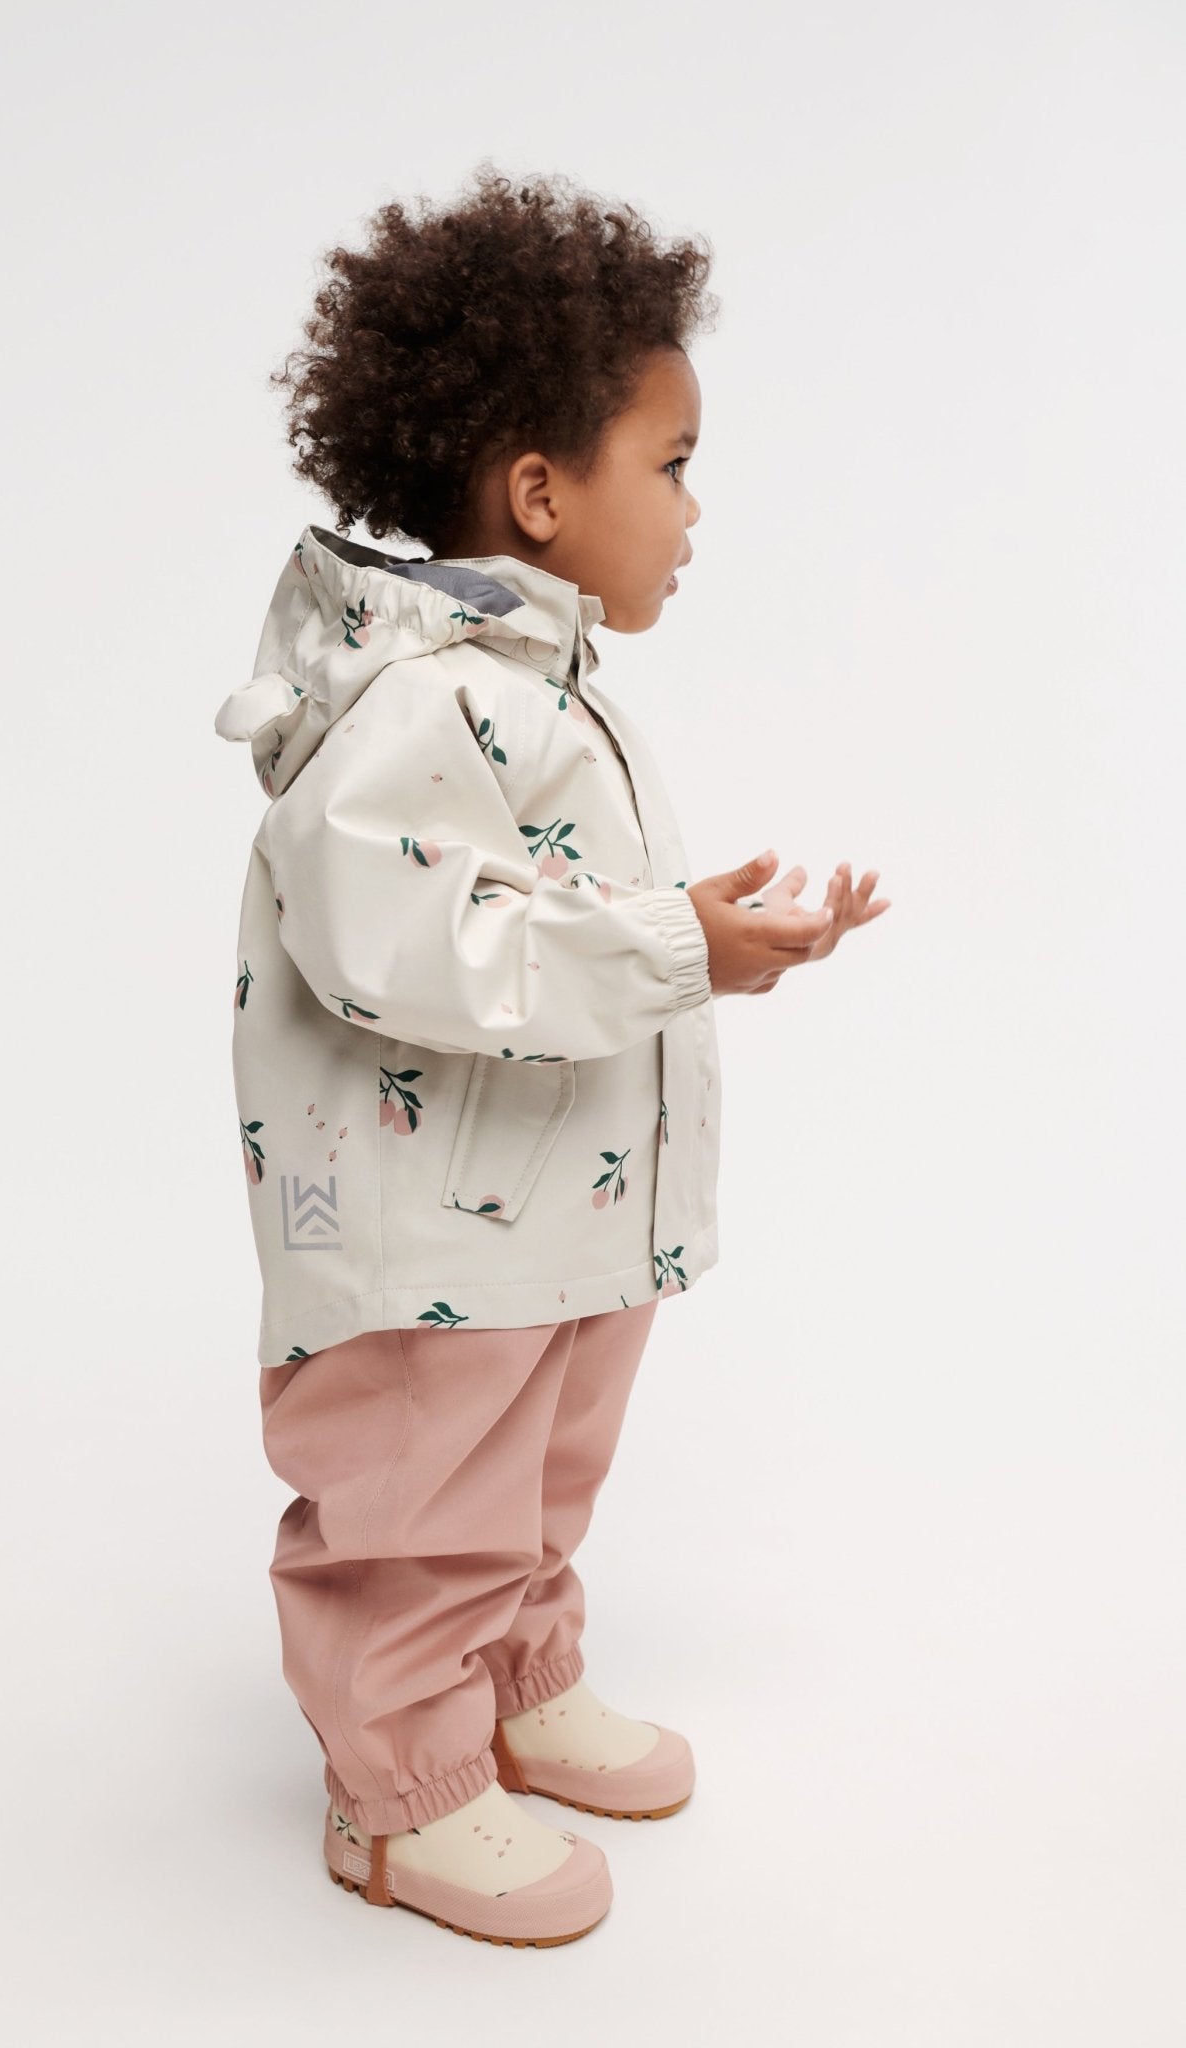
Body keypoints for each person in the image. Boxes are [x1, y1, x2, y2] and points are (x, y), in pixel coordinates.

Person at [213, 164, 890, 1949]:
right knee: (421, 1497)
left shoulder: (533, 684)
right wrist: (671, 945)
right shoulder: (420, 702)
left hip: (546, 1214)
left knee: (534, 1473)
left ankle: (512, 1686)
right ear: (538, 491)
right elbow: (403, 941)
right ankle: (397, 1796)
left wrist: (704, 941)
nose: (692, 508)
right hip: (433, 1229)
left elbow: (534, 915)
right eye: (669, 464)